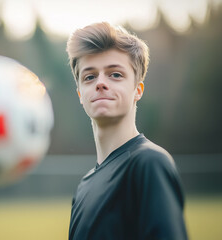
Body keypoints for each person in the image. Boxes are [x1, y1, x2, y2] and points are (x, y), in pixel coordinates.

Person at [66, 22, 188, 240]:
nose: (101, 83)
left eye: (115, 74)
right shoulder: (83, 188)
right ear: (80, 95)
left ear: (137, 90)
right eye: (90, 76)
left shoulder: (149, 164)